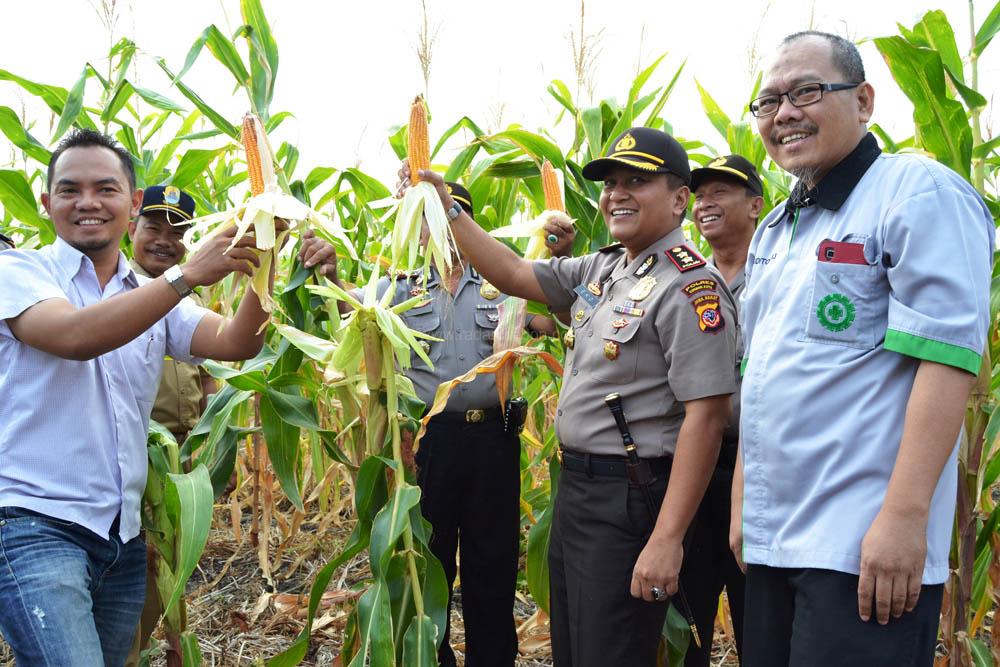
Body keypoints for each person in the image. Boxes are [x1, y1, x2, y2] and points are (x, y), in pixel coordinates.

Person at [401, 128, 738, 666]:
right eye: (611, 183)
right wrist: (446, 208)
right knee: (576, 648)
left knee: (611, 650)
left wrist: (668, 539)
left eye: (637, 181)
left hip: (632, 498)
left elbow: (706, 418)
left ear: (680, 200)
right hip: (580, 492)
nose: (616, 194)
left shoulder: (689, 286)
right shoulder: (604, 268)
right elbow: (511, 271)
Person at [732, 31, 994, 667]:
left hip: (861, 548)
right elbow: (759, 373)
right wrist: (742, 502)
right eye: (767, 103)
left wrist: (904, 519)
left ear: (865, 101)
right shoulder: (779, 226)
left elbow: (946, 357)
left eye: (807, 91)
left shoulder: (914, 191)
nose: (783, 113)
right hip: (774, 542)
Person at [0, 128, 281, 666]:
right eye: (69, 189)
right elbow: (75, 336)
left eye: (105, 189)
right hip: (35, 529)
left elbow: (237, 342)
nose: (87, 202)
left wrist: (263, 264)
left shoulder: (151, 298)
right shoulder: (19, 271)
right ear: (46, 202)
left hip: (121, 539)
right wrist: (186, 274)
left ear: (130, 204)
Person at [331, 182, 573, 667]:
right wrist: (326, 272)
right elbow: (347, 309)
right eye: (424, 220)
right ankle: (430, 655)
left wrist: (562, 263)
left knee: (494, 561)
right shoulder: (397, 286)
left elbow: (560, 322)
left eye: (445, 216)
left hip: (494, 439)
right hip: (426, 442)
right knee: (429, 557)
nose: (434, 229)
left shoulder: (503, 284)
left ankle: (493, 658)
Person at [679, 154, 763, 665]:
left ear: (756, 205)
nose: (705, 204)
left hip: (756, 465)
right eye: (699, 196)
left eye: (720, 194)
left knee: (760, 614)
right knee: (690, 607)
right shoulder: (685, 277)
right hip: (690, 464)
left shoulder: (781, 273)